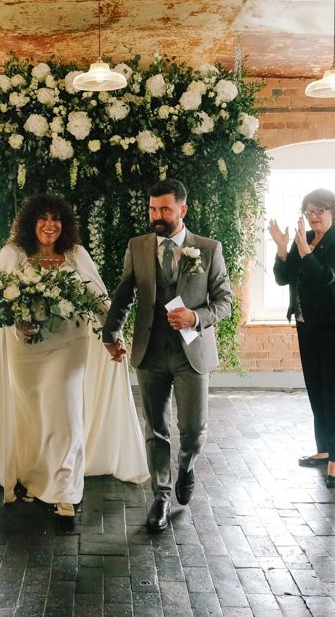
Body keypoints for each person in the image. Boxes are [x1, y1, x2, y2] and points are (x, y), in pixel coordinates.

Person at [0, 195, 148, 518]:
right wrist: (17, 322)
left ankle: (65, 491)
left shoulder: (76, 255)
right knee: (31, 415)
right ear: (30, 224)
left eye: (56, 219)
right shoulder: (12, 255)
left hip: (69, 345)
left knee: (66, 413)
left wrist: (114, 336)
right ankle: (30, 478)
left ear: (64, 225)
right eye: (42, 218)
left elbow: (99, 298)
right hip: (25, 348)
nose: (50, 225)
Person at [102, 178, 233, 533]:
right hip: (151, 351)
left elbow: (225, 302)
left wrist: (196, 316)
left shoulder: (207, 248)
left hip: (192, 351)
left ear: (182, 210)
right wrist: (110, 333)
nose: (157, 216)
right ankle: (160, 496)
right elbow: (124, 293)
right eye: (152, 209)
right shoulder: (138, 246)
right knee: (155, 429)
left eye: (164, 209)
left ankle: (186, 467)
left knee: (192, 429)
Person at [268, 189, 335, 488]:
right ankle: (324, 450)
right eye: (309, 210)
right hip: (307, 322)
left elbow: (326, 276)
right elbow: (284, 278)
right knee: (316, 387)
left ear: (333, 211)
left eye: (319, 210)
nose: (313, 215)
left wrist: (305, 252)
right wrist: (284, 249)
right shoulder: (303, 238)